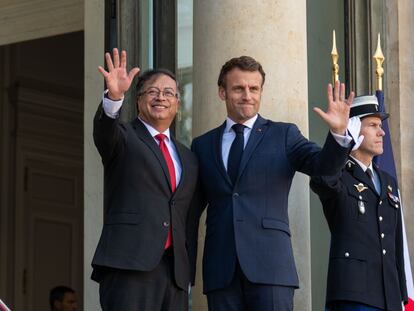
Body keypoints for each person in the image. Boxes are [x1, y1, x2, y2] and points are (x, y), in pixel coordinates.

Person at [187, 55, 355, 311]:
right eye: (238, 88)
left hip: (271, 268)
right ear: (222, 92)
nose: (247, 95)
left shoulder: (284, 135)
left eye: (254, 88)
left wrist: (338, 135)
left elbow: (322, 168)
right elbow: (190, 210)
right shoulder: (202, 145)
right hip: (220, 271)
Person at [90, 48, 199, 311]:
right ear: (138, 100)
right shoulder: (124, 137)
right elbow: (105, 133)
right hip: (129, 266)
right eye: (152, 91)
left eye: (169, 93)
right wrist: (114, 97)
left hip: (174, 274)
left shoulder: (188, 157)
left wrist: (188, 271)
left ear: (178, 103)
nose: (161, 97)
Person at [310, 95, 408, 311]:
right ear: (353, 128)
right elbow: (322, 181)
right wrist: (339, 138)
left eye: (380, 126)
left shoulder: (388, 181)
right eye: (372, 125)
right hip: (353, 294)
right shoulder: (338, 173)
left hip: (389, 295)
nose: (381, 132)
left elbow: (395, 242)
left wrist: (402, 293)